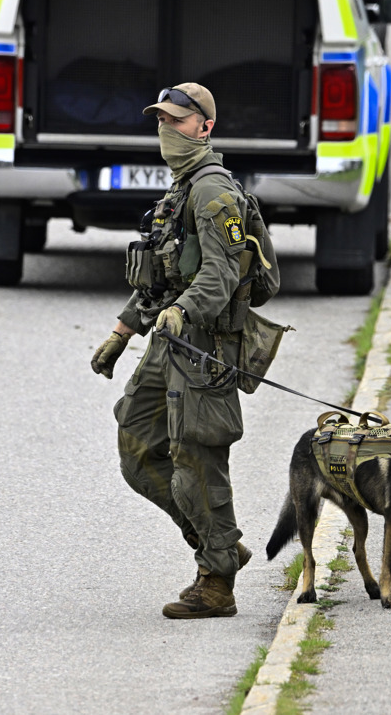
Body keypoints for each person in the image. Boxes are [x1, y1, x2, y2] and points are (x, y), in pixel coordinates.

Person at [90, 82, 261, 619]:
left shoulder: (213, 192)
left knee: (197, 459)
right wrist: (122, 331)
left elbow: (221, 274)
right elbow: (163, 275)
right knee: (138, 447)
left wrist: (184, 312)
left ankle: (216, 583)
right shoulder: (179, 190)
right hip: (170, 342)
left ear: (205, 127)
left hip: (205, 350)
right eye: (161, 120)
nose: (167, 129)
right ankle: (220, 545)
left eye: (179, 121)